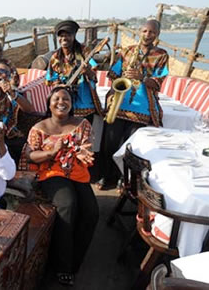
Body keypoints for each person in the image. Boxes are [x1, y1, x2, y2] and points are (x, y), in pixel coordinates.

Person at [27, 86, 98, 286]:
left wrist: (83, 152)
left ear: (71, 103)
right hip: (51, 173)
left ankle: (75, 260)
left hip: (78, 173)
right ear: (49, 104)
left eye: (66, 98)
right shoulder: (39, 128)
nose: (61, 102)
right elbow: (30, 155)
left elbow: (87, 148)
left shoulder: (82, 124)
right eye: (56, 98)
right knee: (67, 205)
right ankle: (62, 265)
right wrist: (51, 153)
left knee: (91, 212)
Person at [98, 19, 168, 189]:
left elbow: (158, 83)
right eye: (144, 31)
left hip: (142, 108)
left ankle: (126, 180)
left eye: (151, 32)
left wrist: (142, 77)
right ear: (140, 32)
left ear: (157, 34)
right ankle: (108, 176)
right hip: (120, 106)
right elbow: (113, 74)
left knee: (132, 149)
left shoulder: (162, 55)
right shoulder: (127, 51)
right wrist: (122, 77)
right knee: (110, 144)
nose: (147, 35)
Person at [45, 20, 102, 120]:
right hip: (64, 104)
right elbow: (50, 79)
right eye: (61, 36)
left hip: (84, 103)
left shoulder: (84, 52)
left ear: (74, 36)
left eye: (67, 35)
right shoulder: (55, 57)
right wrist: (59, 85)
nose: (64, 38)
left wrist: (87, 71)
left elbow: (94, 75)